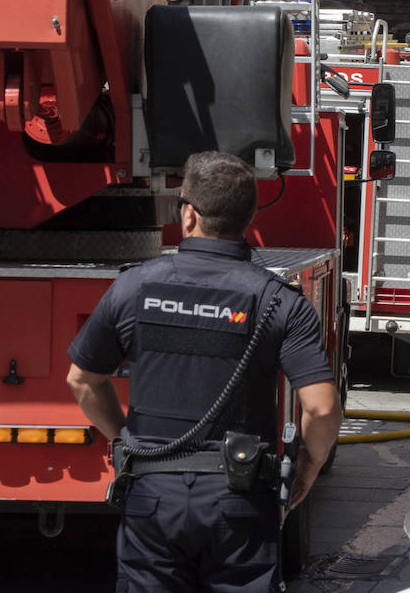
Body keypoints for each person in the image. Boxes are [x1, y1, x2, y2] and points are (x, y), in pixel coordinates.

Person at [66, 151, 343, 592]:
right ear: (248, 218)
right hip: (240, 498)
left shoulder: (134, 287)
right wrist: (307, 470)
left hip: (153, 496)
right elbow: (323, 408)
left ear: (189, 213)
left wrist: (124, 441)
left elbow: (82, 380)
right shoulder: (280, 302)